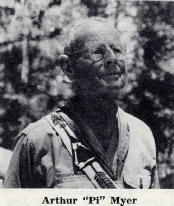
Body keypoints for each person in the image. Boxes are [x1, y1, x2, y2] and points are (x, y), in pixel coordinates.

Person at [4, 17, 159, 188]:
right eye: (97, 52)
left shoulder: (142, 136)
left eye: (117, 49)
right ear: (68, 67)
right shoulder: (37, 141)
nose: (112, 58)